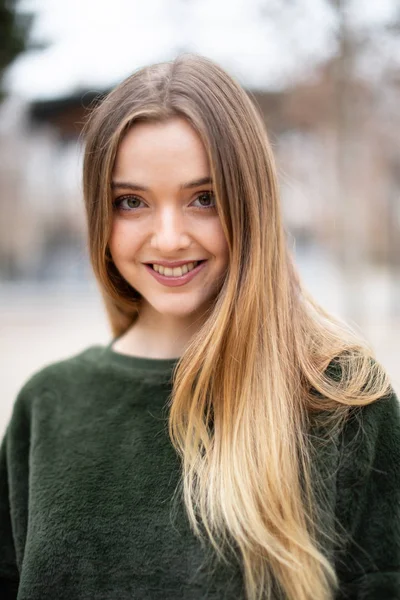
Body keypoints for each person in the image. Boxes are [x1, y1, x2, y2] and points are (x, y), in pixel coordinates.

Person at [0, 53, 399, 600]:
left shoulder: (341, 398)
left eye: (203, 198)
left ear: (250, 202)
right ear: (100, 213)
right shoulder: (47, 406)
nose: (168, 238)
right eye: (131, 201)